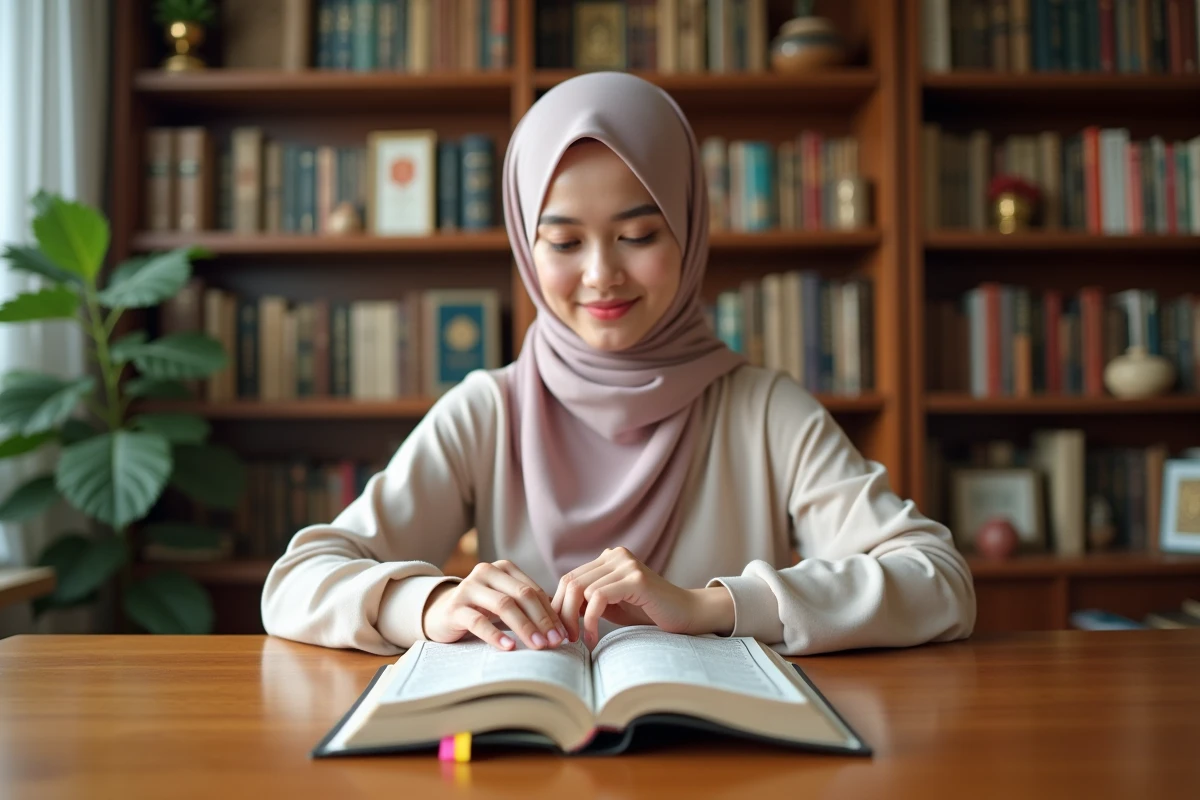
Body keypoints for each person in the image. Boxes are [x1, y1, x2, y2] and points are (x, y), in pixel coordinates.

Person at [261, 72, 975, 657]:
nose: (602, 275)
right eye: (564, 243)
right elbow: (295, 582)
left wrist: (710, 605)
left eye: (637, 234)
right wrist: (432, 602)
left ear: (690, 229)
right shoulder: (492, 408)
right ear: (525, 246)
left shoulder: (763, 409)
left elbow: (939, 582)